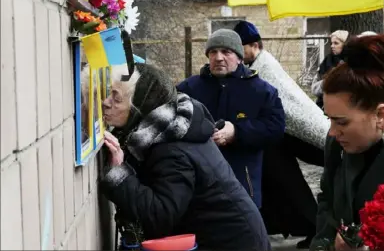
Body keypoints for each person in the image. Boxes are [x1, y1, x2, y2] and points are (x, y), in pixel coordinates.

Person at [98, 63, 271, 251]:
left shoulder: (171, 149)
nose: (106, 103)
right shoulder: (168, 128)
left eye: (116, 98)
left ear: (140, 105)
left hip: (232, 244)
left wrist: (120, 175)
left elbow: (161, 215)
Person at [310, 35, 384, 251]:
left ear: (381, 115)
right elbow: (327, 203)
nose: (332, 132)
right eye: (329, 119)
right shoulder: (337, 143)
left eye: (341, 121)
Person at [234, 20, 329, 248]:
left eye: (240, 48)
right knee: (283, 180)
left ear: (254, 46)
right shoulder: (256, 66)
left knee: (288, 182)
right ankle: (306, 226)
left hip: (293, 135)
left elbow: (289, 107)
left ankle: (312, 227)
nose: (237, 54)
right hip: (278, 137)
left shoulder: (264, 69)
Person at [177, 29, 286, 209]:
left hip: (244, 184)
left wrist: (237, 132)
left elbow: (275, 128)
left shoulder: (262, 91)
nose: (219, 57)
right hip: (198, 185)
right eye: (213, 52)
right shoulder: (189, 89)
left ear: (239, 57)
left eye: (226, 52)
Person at [311, 30, 349, 109]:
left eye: (336, 43)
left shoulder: (352, 62)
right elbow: (314, 88)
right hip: (324, 107)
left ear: (345, 45)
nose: (332, 46)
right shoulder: (327, 61)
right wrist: (327, 82)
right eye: (331, 43)